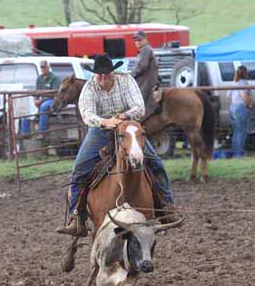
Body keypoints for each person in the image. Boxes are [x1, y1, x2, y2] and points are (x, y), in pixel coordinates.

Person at [56, 54, 176, 236]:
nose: (103, 78)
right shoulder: (90, 87)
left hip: (127, 127)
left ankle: (166, 207)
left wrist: (123, 117)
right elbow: (87, 113)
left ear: (113, 72)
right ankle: (76, 217)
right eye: (99, 75)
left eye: (106, 74)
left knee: (155, 163)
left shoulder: (125, 80)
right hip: (101, 131)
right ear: (94, 75)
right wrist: (105, 122)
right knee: (79, 170)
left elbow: (139, 107)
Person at [21, 60, 61, 138]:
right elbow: (37, 91)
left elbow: (54, 94)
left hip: (52, 100)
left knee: (43, 106)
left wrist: (41, 101)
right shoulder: (39, 78)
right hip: (42, 100)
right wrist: (35, 99)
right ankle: (26, 132)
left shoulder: (55, 78)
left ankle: (42, 131)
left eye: (44, 67)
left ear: (48, 67)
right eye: (41, 67)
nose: (42, 69)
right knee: (27, 107)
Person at [131, 30, 160, 118]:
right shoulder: (146, 50)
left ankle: (141, 118)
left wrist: (131, 76)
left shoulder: (146, 50)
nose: (137, 42)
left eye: (139, 40)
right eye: (136, 41)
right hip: (147, 79)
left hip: (146, 82)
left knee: (138, 100)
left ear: (145, 40)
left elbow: (142, 66)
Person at [227, 66, 252, 158]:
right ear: (245, 73)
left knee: (236, 132)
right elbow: (244, 95)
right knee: (242, 132)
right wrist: (250, 104)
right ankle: (239, 154)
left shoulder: (234, 82)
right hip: (241, 108)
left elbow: (228, 96)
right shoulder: (243, 83)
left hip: (232, 107)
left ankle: (235, 152)